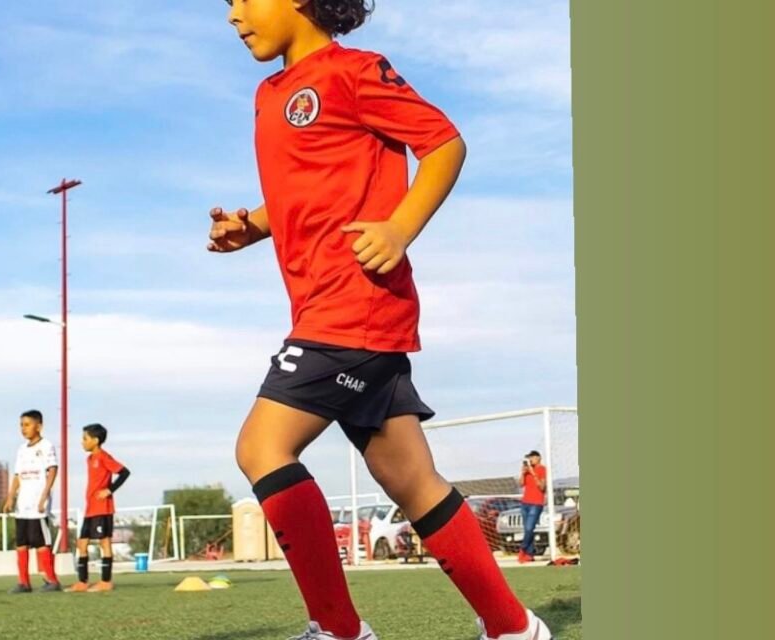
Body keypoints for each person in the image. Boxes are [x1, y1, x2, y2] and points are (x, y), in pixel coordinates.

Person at [207, 2, 552, 639]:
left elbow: (444, 143)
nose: (233, 13)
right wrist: (251, 226)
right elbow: (304, 191)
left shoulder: (355, 72)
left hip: (353, 304)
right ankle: (513, 629)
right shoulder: (268, 94)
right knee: (410, 480)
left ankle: (339, 631)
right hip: (330, 311)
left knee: (261, 446)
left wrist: (400, 229)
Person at [3, 410, 63, 593]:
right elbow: (17, 475)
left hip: (38, 504)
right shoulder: (22, 450)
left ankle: (51, 580)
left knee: (41, 542)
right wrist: (10, 497)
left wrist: (45, 495)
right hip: (23, 504)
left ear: (39, 426)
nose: (23, 428)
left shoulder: (46, 446)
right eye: (21, 425)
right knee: (21, 542)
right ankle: (23, 582)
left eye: (27, 424)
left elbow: (52, 470)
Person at [69, 423, 131, 592]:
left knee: (104, 543)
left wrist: (109, 490)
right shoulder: (89, 459)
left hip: (103, 509)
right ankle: (82, 582)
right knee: (81, 544)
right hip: (90, 509)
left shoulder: (104, 457)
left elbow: (124, 472)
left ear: (95, 441)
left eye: (85, 438)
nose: (82, 442)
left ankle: (106, 581)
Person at [517, 451, 548, 563]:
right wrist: (523, 473)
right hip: (525, 502)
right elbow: (520, 484)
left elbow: (542, 487)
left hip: (536, 503)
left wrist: (533, 473)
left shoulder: (542, 469)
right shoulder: (527, 470)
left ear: (538, 458)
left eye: (532, 458)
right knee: (527, 529)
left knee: (530, 528)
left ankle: (522, 549)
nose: (530, 460)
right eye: (529, 458)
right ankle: (529, 554)